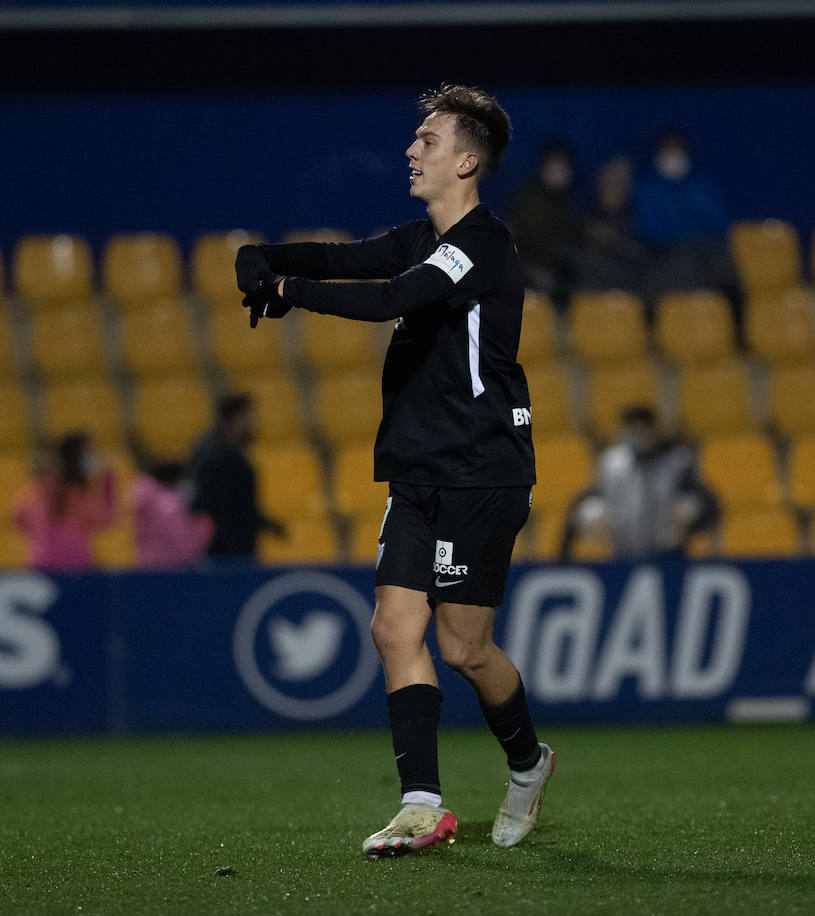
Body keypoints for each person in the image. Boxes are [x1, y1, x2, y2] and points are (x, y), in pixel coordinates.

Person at [234, 84, 554, 858]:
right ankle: (421, 806)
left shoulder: (484, 245)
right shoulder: (419, 235)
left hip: (483, 470)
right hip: (416, 469)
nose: (412, 150)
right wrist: (262, 255)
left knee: (463, 648)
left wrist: (284, 290)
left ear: (468, 160)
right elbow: (348, 258)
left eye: (429, 141)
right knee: (391, 627)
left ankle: (528, 760)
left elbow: (389, 300)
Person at [562, 406, 718, 560]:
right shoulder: (612, 462)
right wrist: (568, 549)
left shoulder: (676, 461)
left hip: (669, 552)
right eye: (632, 429)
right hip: (622, 551)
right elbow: (582, 503)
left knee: (687, 506)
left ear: (654, 430)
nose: (637, 435)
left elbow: (710, 506)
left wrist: (691, 519)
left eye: (642, 428)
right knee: (592, 511)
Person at [632, 128, 741, 319]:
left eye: (678, 151)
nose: (673, 156)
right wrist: (688, 235)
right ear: (658, 154)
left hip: (705, 256)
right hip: (666, 257)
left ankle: (736, 327)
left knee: (724, 262)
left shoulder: (702, 187)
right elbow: (650, 230)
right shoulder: (647, 189)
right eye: (668, 151)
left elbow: (719, 226)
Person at [190, 394, 283, 560]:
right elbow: (225, 507)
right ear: (234, 418)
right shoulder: (216, 457)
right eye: (248, 417)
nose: (253, 424)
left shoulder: (228, 453)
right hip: (225, 552)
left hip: (237, 547)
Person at [12, 431, 116, 572]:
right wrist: (107, 483)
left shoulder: (42, 488)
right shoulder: (75, 496)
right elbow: (105, 520)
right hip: (74, 568)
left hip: (45, 565)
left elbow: (18, 516)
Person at [509, 140, 582, 311]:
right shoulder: (528, 198)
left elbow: (576, 237)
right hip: (530, 265)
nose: (558, 169)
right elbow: (527, 240)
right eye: (554, 163)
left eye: (563, 164)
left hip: (564, 269)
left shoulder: (572, 201)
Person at [576, 155, 650, 291]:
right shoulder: (581, 218)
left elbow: (646, 260)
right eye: (610, 181)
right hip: (590, 294)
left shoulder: (640, 220)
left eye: (621, 182)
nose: (614, 187)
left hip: (630, 294)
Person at [131, 458, 213, 570]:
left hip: (146, 565)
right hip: (171, 569)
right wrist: (203, 528)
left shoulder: (140, 497)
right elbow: (182, 545)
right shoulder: (170, 506)